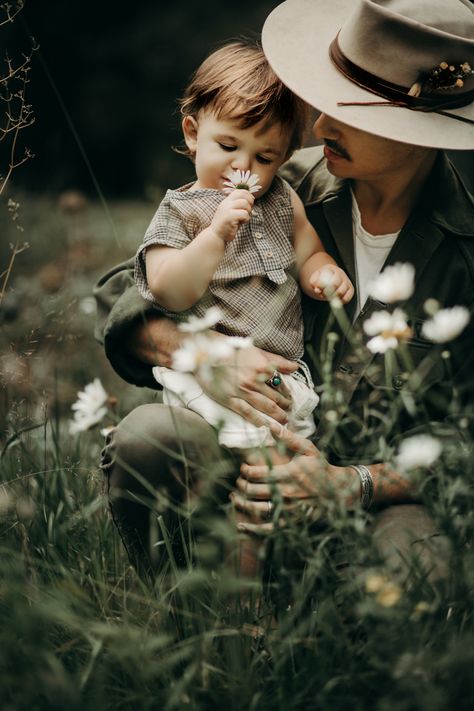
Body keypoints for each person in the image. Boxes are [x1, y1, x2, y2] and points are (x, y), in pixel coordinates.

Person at [95, 0, 474, 585]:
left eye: (354, 110)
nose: (320, 126)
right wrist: (209, 356)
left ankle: (323, 625)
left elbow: (466, 441)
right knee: (148, 439)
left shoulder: (466, 250)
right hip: (241, 458)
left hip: (379, 498)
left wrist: (353, 483)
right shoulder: (270, 178)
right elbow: (125, 292)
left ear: (420, 132)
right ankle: (190, 610)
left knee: (414, 571)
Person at [134, 40, 353, 455]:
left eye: (265, 157)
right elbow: (168, 290)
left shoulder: (282, 200)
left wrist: (322, 273)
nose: (243, 167)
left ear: (285, 157)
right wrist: (214, 236)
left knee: (284, 458)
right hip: (211, 376)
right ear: (193, 134)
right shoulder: (180, 211)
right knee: (222, 455)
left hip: (280, 372)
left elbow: (308, 251)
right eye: (229, 147)